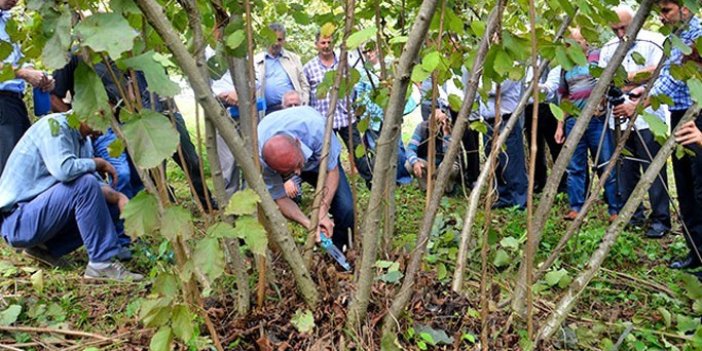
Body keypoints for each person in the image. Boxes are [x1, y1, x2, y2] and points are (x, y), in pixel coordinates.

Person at [0, 113, 143, 281]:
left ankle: (44, 248)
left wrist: (119, 198)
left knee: (108, 203)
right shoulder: (54, 126)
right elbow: (64, 170)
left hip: (39, 215)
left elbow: (94, 189)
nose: (108, 126)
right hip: (17, 221)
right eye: (105, 117)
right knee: (85, 183)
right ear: (88, 111)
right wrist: (98, 163)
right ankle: (101, 264)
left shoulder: (84, 140)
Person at [613, 0, 702, 270]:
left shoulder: (697, 37)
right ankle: (696, 252)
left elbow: (678, 78)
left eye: (666, 10)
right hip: (679, 115)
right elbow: (667, 73)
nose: (661, 17)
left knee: (700, 189)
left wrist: (638, 104)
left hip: (697, 118)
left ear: (685, 8)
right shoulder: (675, 38)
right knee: (686, 189)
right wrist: (644, 90)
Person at [600, 5, 670, 238]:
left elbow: (661, 72)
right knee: (625, 169)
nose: (620, 34)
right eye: (614, 29)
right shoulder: (609, 48)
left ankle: (661, 218)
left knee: (653, 168)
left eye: (624, 28)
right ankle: (633, 215)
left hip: (648, 118)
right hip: (617, 119)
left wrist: (627, 80)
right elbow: (605, 80)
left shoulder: (654, 41)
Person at [258, 106, 354, 250]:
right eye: (289, 171)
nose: (297, 173)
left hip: (319, 160)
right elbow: (280, 197)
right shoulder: (261, 158)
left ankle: (341, 248)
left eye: (297, 166)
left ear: (297, 142)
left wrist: (322, 211)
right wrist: (309, 224)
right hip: (289, 157)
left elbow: (332, 172)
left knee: (345, 208)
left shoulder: (317, 130)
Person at [555, 28, 620, 221]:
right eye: (569, 42)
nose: (572, 46)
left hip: (597, 119)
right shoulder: (566, 65)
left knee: (605, 162)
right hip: (574, 120)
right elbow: (564, 96)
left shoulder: (598, 57)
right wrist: (560, 125)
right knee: (575, 165)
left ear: (585, 41)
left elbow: (609, 84)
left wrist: (602, 103)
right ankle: (576, 207)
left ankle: (614, 209)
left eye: (576, 41)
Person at [304, 30, 373, 187]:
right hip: (323, 120)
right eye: (323, 42)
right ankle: (327, 187)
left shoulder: (344, 64)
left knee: (358, 152)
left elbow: (353, 89)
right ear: (316, 45)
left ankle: (372, 182)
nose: (326, 46)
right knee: (325, 156)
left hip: (345, 117)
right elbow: (306, 95)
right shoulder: (308, 68)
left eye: (329, 42)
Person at [0, 0, 55, 177]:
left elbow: (21, 62)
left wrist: (41, 79)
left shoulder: (10, 22)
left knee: (25, 164)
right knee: (8, 169)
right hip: (2, 102)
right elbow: (20, 70)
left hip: (14, 103)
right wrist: (23, 73)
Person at [479, 79, 528, 209]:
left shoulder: (512, 67)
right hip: (488, 122)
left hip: (506, 121)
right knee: (494, 160)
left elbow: (495, 89)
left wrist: (477, 86)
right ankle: (503, 196)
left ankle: (520, 200)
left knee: (512, 161)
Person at [524, 63, 568, 194]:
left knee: (556, 146)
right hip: (529, 109)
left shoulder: (552, 61)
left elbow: (551, 87)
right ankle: (538, 182)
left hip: (549, 107)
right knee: (534, 147)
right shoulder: (525, 63)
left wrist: (533, 87)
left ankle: (563, 183)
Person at [254, 23, 309, 114]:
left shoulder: (293, 58)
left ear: (284, 41)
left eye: (279, 40)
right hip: (267, 111)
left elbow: (304, 84)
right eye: (273, 39)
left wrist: (303, 103)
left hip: (292, 109)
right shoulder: (256, 61)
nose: (276, 43)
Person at [405, 108, 460, 193]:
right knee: (409, 164)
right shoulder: (422, 127)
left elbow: (449, 156)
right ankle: (426, 188)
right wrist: (415, 162)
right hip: (428, 164)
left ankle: (446, 189)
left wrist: (446, 134)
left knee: (448, 166)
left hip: (443, 163)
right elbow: (410, 148)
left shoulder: (450, 129)